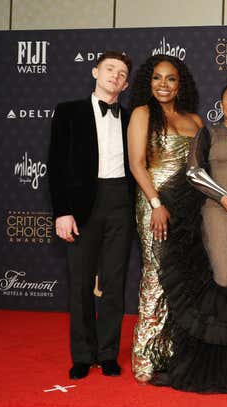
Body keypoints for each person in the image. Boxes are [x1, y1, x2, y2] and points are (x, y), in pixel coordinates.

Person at [147, 67, 227, 393]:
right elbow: (193, 173)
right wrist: (221, 197)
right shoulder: (209, 134)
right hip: (218, 215)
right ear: (222, 104)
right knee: (222, 281)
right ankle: (214, 368)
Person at [48, 51, 134, 380]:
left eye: (121, 72)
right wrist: (62, 212)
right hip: (82, 205)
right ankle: (83, 355)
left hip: (120, 202)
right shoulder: (69, 112)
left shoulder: (129, 119)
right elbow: (56, 165)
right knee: (81, 284)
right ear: (95, 71)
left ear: (125, 84)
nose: (114, 75)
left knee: (115, 282)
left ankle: (108, 353)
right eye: (109, 68)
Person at [127, 54, 203, 383]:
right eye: (157, 78)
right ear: (148, 82)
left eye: (170, 79)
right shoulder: (143, 114)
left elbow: (200, 170)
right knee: (156, 276)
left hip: (188, 207)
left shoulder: (196, 121)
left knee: (182, 280)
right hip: (154, 204)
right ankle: (146, 354)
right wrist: (156, 203)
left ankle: (173, 353)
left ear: (180, 84)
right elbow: (137, 164)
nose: (163, 85)